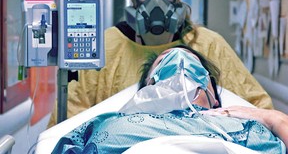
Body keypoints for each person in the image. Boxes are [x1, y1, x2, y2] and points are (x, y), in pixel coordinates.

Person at [48, 0, 272, 127]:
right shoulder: (104, 46)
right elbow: (70, 119)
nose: (157, 0)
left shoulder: (208, 44)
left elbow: (258, 108)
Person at [51, 46, 287, 153]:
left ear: (215, 97)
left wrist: (272, 118)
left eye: (192, 64)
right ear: (145, 91)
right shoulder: (109, 124)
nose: (179, 63)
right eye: (164, 63)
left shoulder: (250, 127)